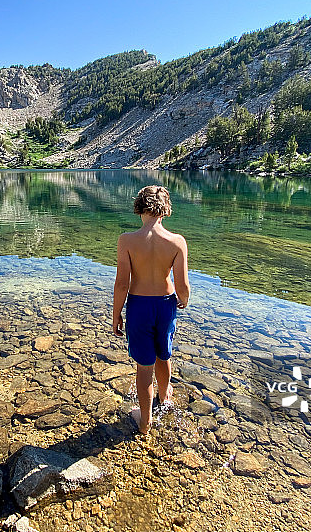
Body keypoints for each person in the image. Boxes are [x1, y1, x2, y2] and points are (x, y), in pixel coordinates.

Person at [112, 185, 190, 434]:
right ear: (165, 210)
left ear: (139, 208)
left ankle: (145, 422)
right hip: (166, 305)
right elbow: (182, 284)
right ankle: (165, 398)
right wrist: (184, 300)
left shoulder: (127, 240)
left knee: (144, 367)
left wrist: (116, 314)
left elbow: (122, 283)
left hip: (139, 307)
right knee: (163, 354)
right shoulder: (177, 241)